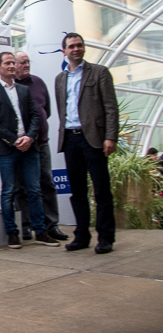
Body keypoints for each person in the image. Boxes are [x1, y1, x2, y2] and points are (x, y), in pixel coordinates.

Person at [0, 52, 59, 249]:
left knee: (35, 190)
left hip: (30, 147)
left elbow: (36, 116)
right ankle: (12, 233)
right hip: (7, 149)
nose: (11, 66)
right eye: (7, 63)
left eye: (12, 63)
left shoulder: (24, 90)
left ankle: (41, 232)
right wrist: (14, 140)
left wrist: (30, 137)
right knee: (9, 191)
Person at [55, 32, 118, 254]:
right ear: (64, 51)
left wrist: (110, 136)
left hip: (94, 139)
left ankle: (106, 237)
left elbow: (110, 107)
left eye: (79, 45)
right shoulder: (60, 79)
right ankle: (81, 235)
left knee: (101, 190)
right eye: (71, 46)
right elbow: (62, 109)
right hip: (70, 140)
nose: (76, 49)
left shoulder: (99, 72)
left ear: (83, 48)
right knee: (77, 191)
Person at [13, 51, 68, 241]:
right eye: (23, 62)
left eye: (28, 62)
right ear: (14, 65)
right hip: (19, 145)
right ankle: (26, 225)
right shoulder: (10, 86)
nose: (27, 65)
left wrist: (36, 132)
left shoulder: (38, 82)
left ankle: (51, 225)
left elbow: (47, 111)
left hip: (41, 142)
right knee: (21, 187)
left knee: (46, 183)